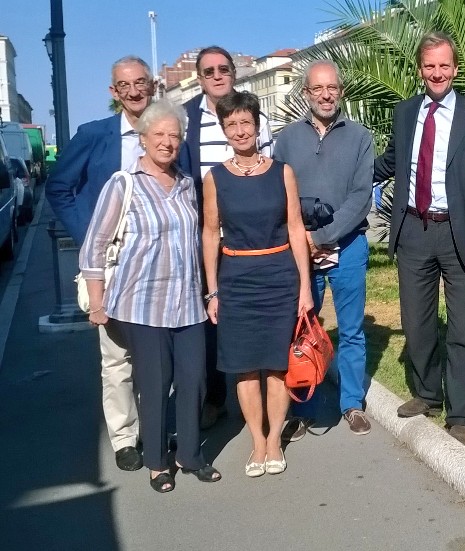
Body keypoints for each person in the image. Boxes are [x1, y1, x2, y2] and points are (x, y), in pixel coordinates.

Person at [80, 100, 220, 493]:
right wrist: (97, 301)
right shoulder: (123, 184)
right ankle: (158, 463)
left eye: (174, 135)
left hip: (188, 303)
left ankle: (189, 455)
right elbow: (94, 246)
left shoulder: (187, 184)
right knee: (155, 384)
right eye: (159, 134)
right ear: (143, 138)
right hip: (142, 304)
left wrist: (210, 290)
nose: (167, 142)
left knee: (194, 380)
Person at [374, 32, 465, 447]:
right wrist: (343, 174)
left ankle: (461, 414)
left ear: (455, 68)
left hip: (460, 232)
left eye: (444, 65)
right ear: (420, 69)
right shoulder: (404, 113)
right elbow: (390, 162)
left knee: (463, 327)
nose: (437, 73)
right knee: (417, 323)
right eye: (430, 66)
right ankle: (427, 393)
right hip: (413, 229)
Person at [46, 56, 154, 472]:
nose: (134, 91)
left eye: (140, 82)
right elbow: (60, 186)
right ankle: (125, 437)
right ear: (114, 92)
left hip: (156, 260)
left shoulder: (167, 130)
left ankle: (156, 426)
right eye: (125, 85)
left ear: (152, 84)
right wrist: (88, 234)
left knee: (156, 351)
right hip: (110, 261)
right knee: (117, 355)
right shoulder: (94, 135)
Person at [202, 91, 313, 477]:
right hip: (236, 280)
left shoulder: (283, 172)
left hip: (279, 278)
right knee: (245, 368)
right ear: (223, 129)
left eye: (245, 122)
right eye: (231, 124)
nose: (239, 130)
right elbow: (210, 233)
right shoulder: (214, 178)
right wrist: (213, 290)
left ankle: (274, 440)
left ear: (257, 125)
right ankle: (257, 442)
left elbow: (296, 227)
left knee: (278, 366)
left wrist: (305, 286)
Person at [274, 60, 374, 438]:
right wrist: (302, 238)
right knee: (302, 328)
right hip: (300, 249)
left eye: (332, 88)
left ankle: (352, 403)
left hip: (348, 246)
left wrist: (323, 236)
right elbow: (279, 194)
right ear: (306, 93)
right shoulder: (287, 139)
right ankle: (304, 408)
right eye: (318, 88)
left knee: (351, 330)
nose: (326, 95)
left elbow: (361, 197)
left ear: (341, 92)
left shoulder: (360, 137)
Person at [179, 46, 274, 430]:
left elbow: (272, 171)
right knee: (212, 319)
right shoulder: (187, 118)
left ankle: (267, 400)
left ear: (234, 72)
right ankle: (215, 398)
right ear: (200, 78)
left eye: (223, 69)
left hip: (254, 239)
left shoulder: (256, 116)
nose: (217, 76)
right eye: (209, 71)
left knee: (259, 317)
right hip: (208, 236)